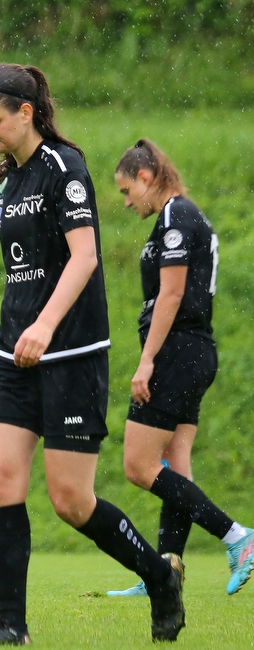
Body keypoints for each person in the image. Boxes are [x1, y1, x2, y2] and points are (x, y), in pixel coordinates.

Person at [0, 64, 185, 645]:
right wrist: (20, 330)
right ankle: (11, 626)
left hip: (72, 350)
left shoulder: (65, 168)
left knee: (71, 501)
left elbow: (84, 258)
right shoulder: (6, 182)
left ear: (26, 113)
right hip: (14, 353)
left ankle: (159, 576)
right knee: (1, 480)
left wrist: (46, 325)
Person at [105, 139, 254, 598]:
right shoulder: (190, 216)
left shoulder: (175, 216)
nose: (128, 203)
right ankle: (164, 572)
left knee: (139, 465)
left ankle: (238, 537)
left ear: (146, 177)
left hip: (177, 351)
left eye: (128, 191)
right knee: (176, 466)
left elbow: (170, 295)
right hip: (195, 351)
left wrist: (147, 360)